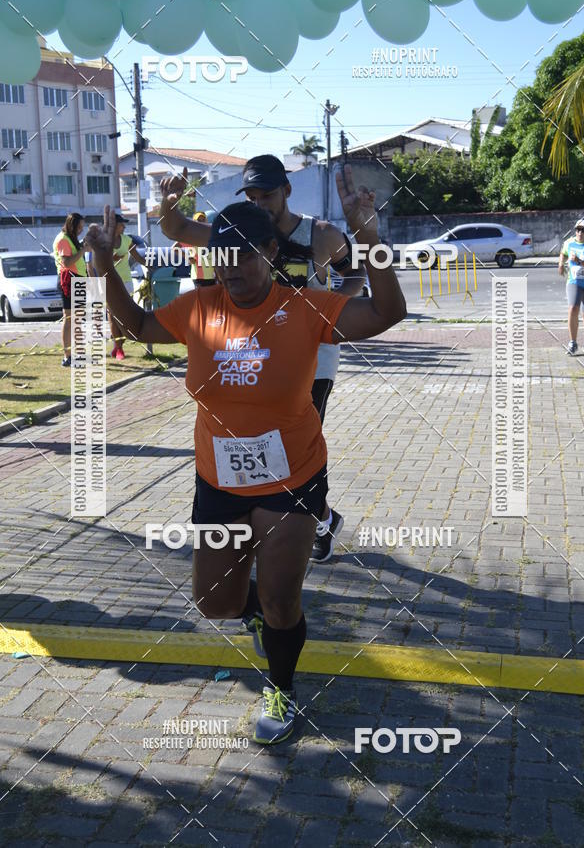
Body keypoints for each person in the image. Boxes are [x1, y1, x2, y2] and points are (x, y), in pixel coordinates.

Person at [83, 167, 406, 744]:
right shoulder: (199, 306)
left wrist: (371, 238)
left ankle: (282, 686)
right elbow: (131, 324)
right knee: (214, 602)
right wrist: (105, 265)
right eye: (223, 258)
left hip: (293, 479)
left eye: (247, 257)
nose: (233, 270)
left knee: (283, 599)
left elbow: (387, 313)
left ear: (272, 251)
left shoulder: (305, 308)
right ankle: (259, 613)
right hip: (219, 482)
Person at [159, 155, 366, 565]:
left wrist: (326, 309)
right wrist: (169, 204)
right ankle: (317, 519)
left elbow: (356, 272)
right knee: (264, 450)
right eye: (251, 196)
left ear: (287, 191)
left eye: (266, 195)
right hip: (251, 358)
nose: (259, 204)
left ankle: (302, 523)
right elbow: (177, 229)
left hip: (309, 360)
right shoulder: (237, 231)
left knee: (292, 449)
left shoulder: (319, 234)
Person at [558, 218, 584, 355]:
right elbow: (563, 253)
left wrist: (580, 262)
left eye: (583, 230)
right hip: (574, 281)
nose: (579, 233)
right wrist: (560, 265)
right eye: (577, 229)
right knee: (572, 309)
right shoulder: (569, 243)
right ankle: (573, 343)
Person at [108, 213, 147, 359]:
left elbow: (137, 257)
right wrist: (111, 259)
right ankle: (118, 348)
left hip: (126, 281)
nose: (124, 226)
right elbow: (97, 261)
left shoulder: (127, 240)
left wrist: (151, 265)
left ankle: (118, 347)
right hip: (110, 282)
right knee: (112, 316)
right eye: (121, 224)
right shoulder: (105, 242)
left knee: (124, 315)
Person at [52, 213, 86, 367]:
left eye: (82, 227)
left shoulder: (71, 239)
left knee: (78, 319)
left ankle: (78, 353)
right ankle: (67, 356)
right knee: (69, 318)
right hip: (69, 280)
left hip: (78, 280)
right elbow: (67, 262)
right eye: (79, 227)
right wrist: (83, 250)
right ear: (71, 225)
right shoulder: (63, 240)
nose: (80, 230)